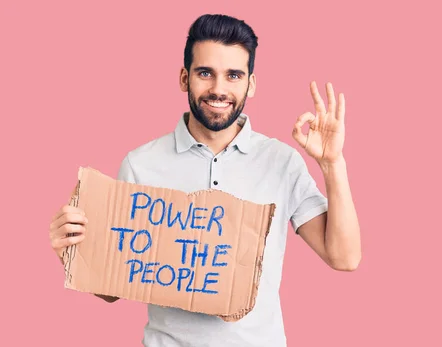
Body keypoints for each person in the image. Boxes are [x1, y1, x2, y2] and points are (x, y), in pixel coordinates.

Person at [48, 13, 361, 347]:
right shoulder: (140, 164)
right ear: (184, 78)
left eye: (233, 75)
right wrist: (74, 251)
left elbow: (344, 258)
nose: (218, 89)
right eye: (205, 73)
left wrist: (332, 164)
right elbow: (114, 287)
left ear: (251, 84)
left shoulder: (282, 162)